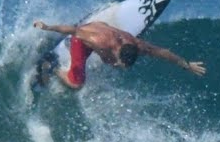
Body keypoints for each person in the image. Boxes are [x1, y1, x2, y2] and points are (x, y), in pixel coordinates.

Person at [33, 19, 207, 89]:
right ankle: (53, 67)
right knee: (76, 84)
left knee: (110, 61)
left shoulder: (138, 45)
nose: (118, 66)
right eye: (119, 63)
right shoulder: (98, 40)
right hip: (82, 41)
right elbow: (73, 30)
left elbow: (163, 52)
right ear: (117, 53)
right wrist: (48, 27)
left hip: (102, 31)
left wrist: (186, 65)